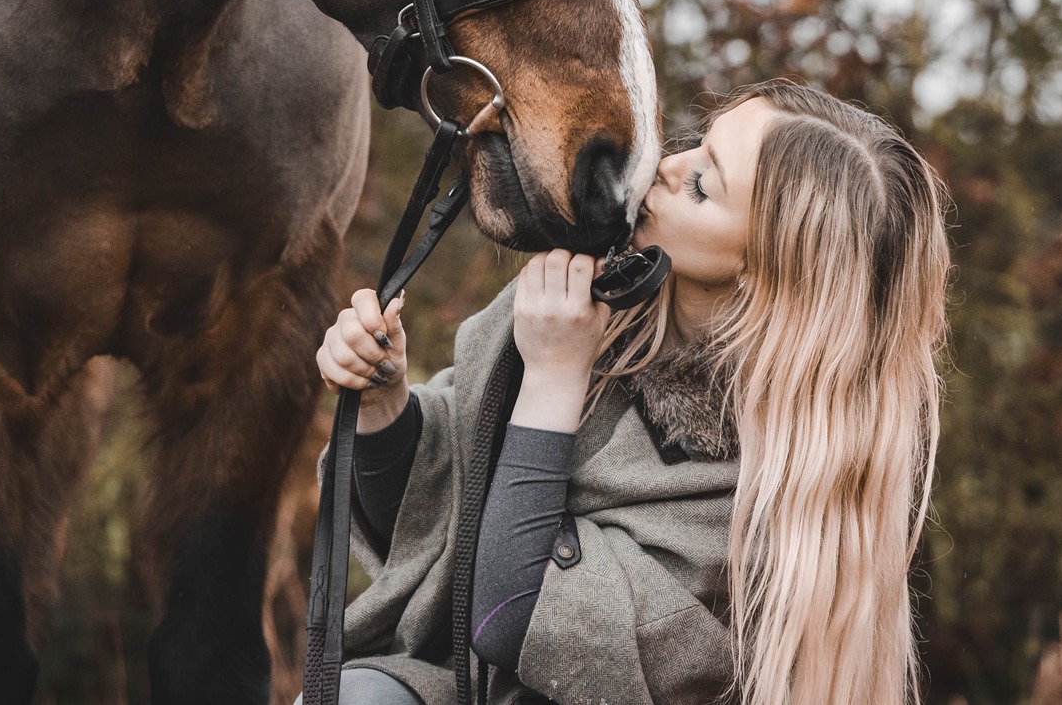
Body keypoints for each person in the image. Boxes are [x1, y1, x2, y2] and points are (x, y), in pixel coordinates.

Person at [314, 79, 952, 705]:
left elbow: (511, 617)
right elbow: (436, 525)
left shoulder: (751, 507)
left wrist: (553, 381)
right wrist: (383, 404)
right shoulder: (594, 310)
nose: (667, 165)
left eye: (703, 185)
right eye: (697, 144)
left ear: (764, 273)